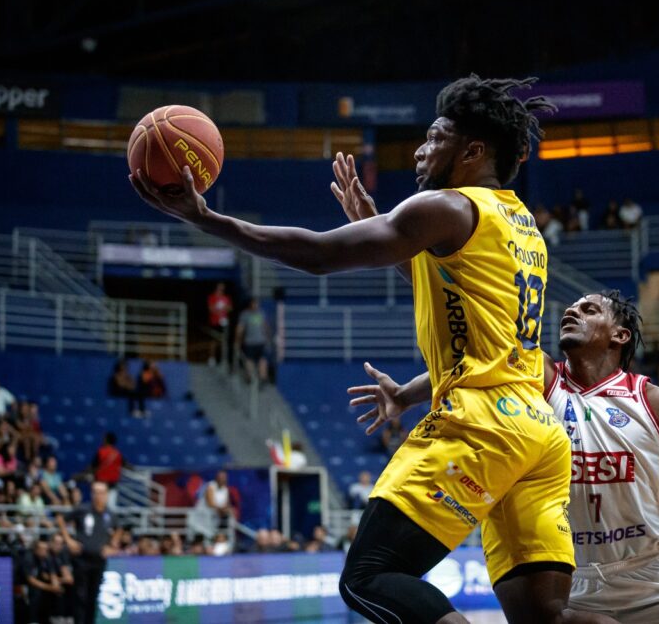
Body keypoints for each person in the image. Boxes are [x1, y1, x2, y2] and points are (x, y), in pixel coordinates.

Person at [131, 75, 608, 624]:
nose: (421, 149)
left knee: (370, 577)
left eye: (435, 137)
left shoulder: (446, 207)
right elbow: (476, 325)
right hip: (537, 432)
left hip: (483, 426)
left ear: (473, 151)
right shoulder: (522, 224)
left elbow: (316, 255)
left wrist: (205, 218)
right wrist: (407, 391)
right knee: (547, 616)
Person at [350, 290, 659, 622]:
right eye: (570, 309)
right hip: (566, 583)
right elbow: (476, 365)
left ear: (619, 335)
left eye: (588, 310)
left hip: (653, 579)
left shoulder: (657, 402)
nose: (572, 313)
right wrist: (405, 395)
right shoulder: (538, 377)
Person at [57, 481, 121, 624]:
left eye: (102, 492)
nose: (98, 495)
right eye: (95, 492)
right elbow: (61, 519)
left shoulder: (110, 514)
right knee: (80, 597)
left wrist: (112, 545)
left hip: (99, 561)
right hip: (81, 559)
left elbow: (119, 529)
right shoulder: (83, 509)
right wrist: (68, 540)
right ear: (92, 494)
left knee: (94, 596)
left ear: (106, 495)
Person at [235, 298, 272, 384]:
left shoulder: (261, 313)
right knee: (249, 360)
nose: (256, 306)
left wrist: (268, 339)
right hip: (250, 342)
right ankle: (250, 377)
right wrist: (237, 341)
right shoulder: (245, 315)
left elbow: (265, 326)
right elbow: (240, 329)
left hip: (261, 342)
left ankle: (263, 378)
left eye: (257, 304)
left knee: (263, 360)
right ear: (250, 304)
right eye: (254, 304)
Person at [207, 282, 233, 366]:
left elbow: (230, 308)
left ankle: (223, 359)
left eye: (222, 288)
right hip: (214, 322)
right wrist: (222, 310)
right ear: (216, 288)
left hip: (223, 322)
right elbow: (211, 309)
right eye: (219, 287)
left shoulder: (226, 298)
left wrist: (221, 309)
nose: (221, 289)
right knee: (213, 341)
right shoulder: (212, 297)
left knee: (224, 341)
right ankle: (212, 358)